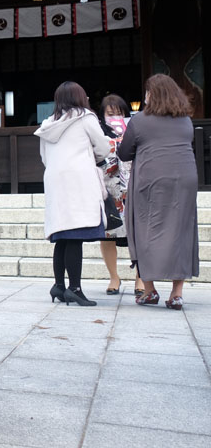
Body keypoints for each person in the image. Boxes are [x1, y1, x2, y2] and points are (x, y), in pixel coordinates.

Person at [117, 74, 199, 310]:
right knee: (181, 231)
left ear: (151, 95)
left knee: (145, 228)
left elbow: (124, 153)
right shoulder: (185, 120)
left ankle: (150, 289)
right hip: (185, 179)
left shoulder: (140, 120)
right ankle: (176, 293)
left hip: (151, 180)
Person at [35, 81, 110, 306]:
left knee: (62, 235)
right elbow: (103, 147)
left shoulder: (48, 123)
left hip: (55, 180)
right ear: (80, 97)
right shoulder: (86, 118)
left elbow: (44, 157)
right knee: (76, 235)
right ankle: (75, 289)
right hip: (79, 180)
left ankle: (58, 286)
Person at [97, 94, 143, 296]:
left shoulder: (136, 127)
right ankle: (114, 277)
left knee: (140, 234)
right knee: (108, 235)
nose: (115, 116)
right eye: (110, 113)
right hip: (110, 189)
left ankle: (141, 278)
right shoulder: (97, 131)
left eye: (119, 113)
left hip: (133, 186)